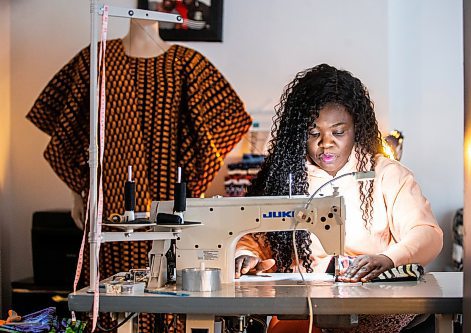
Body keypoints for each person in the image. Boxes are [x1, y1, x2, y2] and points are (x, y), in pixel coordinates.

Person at [27, 18, 251, 332]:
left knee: (172, 291)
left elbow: (232, 120)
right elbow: (70, 129)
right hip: (112, 204)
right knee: (114, 299)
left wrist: (193, 186)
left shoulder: (187, 64)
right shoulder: (97, 58)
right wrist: (79, 191)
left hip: (172, 204)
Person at [234, 64, 443, 332]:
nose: (326, 143)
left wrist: (389, 258)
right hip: (305, 310)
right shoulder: (283, 180)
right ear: (300, 134)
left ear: (357, 128)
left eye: (338, 132)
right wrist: (246, 254)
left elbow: (427, 234)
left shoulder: (386, 175)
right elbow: (254, 235)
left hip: (375, 305)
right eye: (313, 133)